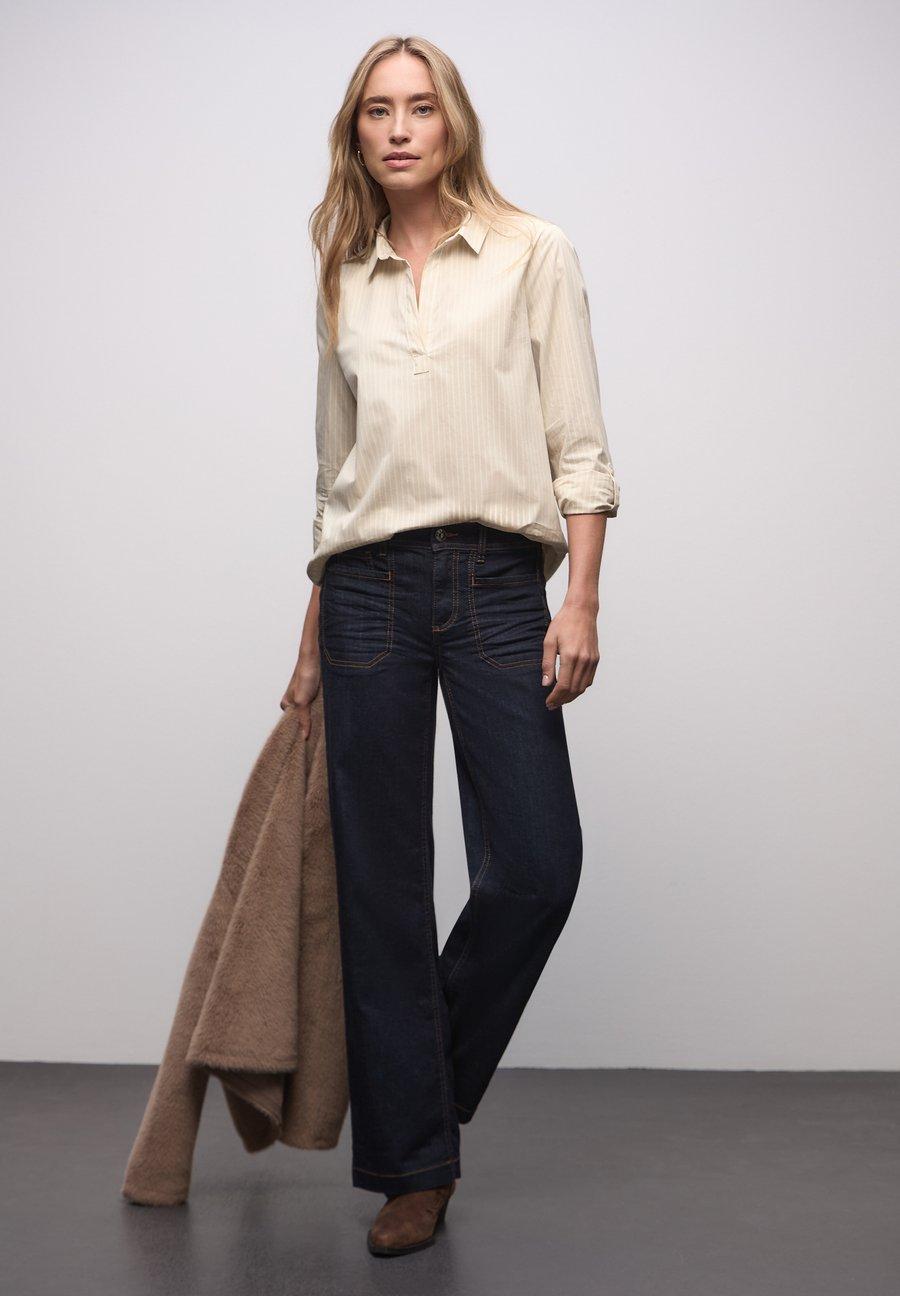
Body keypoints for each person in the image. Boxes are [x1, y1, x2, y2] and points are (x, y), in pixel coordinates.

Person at [280, 34, 620, 1258]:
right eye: (378, 111)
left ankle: (417, 1092)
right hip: (366, 592)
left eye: (420, 107)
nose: (400, 128)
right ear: (356, 133)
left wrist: (582, 602)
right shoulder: (344, 274)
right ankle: (413, 1169)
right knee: (380, 886)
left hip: (496, 585)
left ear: (454, 121)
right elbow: (338, 478)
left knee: (535, 865)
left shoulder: (534, 253)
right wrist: (310, 638)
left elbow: (580, 445)